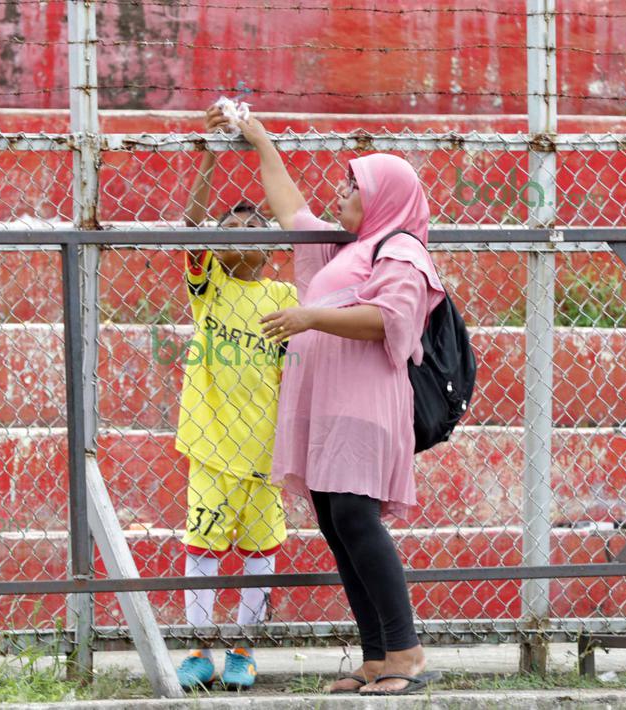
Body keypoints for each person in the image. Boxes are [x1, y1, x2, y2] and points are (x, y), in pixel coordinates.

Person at [237, 114, 446, 696]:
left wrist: (310, 316)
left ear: (384, 198)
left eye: (354, 187)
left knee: (356, 516)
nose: (342, 193)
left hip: (364, 405)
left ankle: (405, 650)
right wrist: (260, 140)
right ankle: (376, 656)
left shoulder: (401, 250)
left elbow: (389, 320)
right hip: (326, 406)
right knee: (336, 521)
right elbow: (291, 211)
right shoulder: (350, 246)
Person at [171, 107, 298, 691]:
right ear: (217, 249)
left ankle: (245, 649)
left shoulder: (283, 294)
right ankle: (198, 647)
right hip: (212, 448)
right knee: (202, 547)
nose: (243, 231)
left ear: (272, 248)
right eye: (233, 226)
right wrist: (211, 151)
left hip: (266, 455)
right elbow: (192, 224)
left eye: (256, 226)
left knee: (258, 553)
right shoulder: (211, 290)